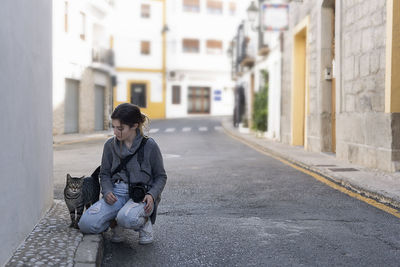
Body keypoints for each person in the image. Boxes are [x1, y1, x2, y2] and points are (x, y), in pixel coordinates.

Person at [78, 103, 167, 245]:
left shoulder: (150, 145)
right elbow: (104, 174)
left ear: (134, 126)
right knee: (85, 224)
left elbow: (161, 176)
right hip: (116, 193)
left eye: (120, 128)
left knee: (127, 218)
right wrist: (107, 191)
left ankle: (143, 223)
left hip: (141, 196)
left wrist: (152, 195)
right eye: (113, 127)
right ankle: (116, 221)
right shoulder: (109, 145)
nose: (115, 132)